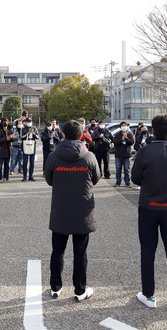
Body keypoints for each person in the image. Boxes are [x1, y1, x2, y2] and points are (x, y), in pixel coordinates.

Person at [131, 114, 167, 311]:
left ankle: (149, 295)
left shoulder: (144, 152)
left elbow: (136, 179)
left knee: (148, 251)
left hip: (148, 206)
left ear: (153, 131)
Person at [44, 120, 100, 302]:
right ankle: (80, 290)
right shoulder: (89, 156)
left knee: (57, 250)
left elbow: (49, 179)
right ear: (81, 134)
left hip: (61, 208)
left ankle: (55, 287)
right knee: (80, 252)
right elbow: (96, 178)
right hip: (82, 210)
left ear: (63, 134)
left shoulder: (54, 156)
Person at [113, 122, 135, 188]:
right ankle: (118, 182)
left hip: (127, 154)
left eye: (125, 125)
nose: (124, 126)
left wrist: (126, 138)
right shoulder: (117, 134)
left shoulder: (129, 134)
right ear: (120, 127)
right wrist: (121, 139)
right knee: (118, 169)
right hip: (118, 154)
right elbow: (115, 143)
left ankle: (127, 182)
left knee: (127, 169)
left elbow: (131, 142)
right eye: (123, 125)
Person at [0, 116, 13, 182]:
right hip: (1, 149)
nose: (6, 123)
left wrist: (11, 137)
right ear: (2, 123)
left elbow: (12, 139)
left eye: (6, 122)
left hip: (8, 149)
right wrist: (6, 139)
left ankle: (6, 177)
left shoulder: (9, 129)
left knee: (7, 165)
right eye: (4, 122)